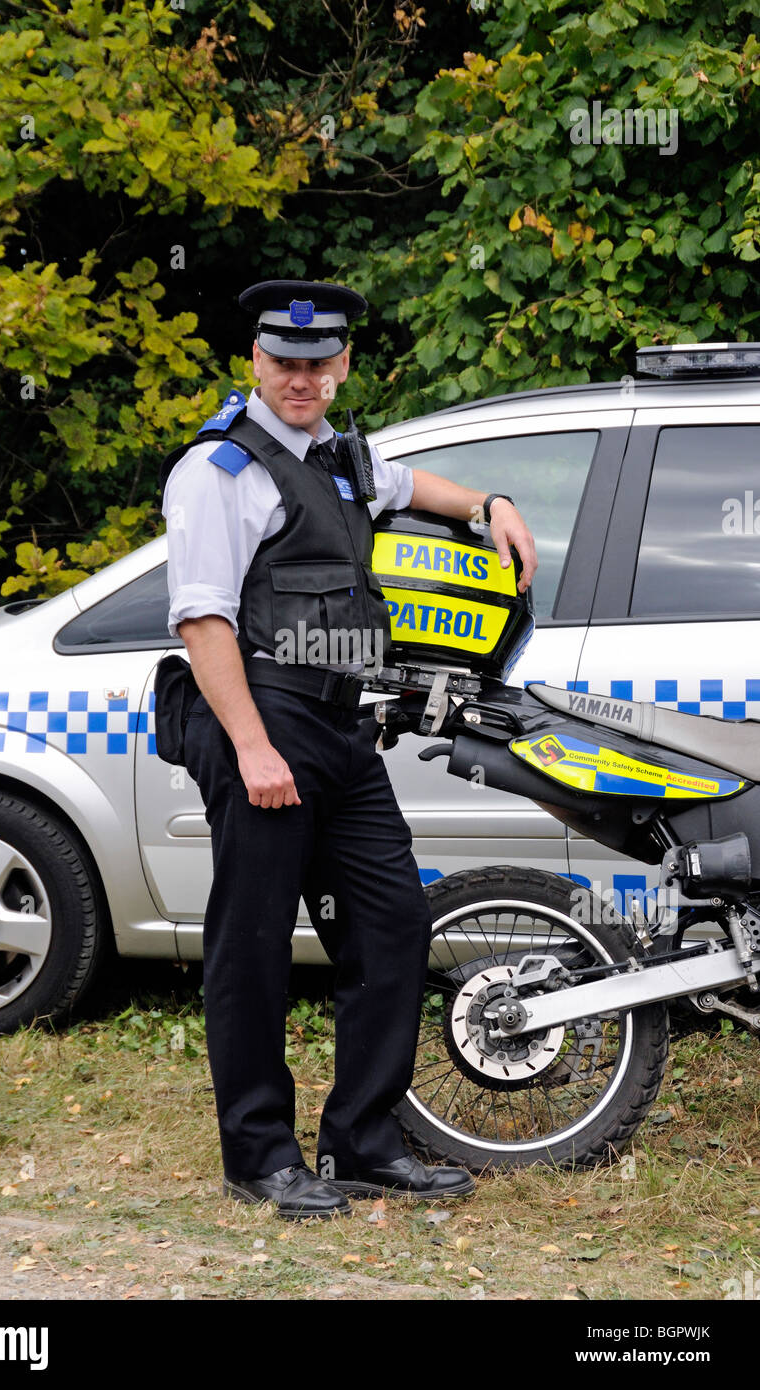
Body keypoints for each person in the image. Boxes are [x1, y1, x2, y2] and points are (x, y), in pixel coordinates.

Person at [161, 279, 538, 1220]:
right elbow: (202, 621)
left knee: (391, 926)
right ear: (255, 362)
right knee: (251, 946)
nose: (302, 378)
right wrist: (251, 749)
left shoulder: (341, 457)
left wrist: (490, 502)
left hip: (338, 724)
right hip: (259, 721)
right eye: (284, 363)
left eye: (318, 363)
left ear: (341, 366)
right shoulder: (219, 471)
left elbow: (419, 488)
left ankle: (363, 1141)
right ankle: (259, 1156)